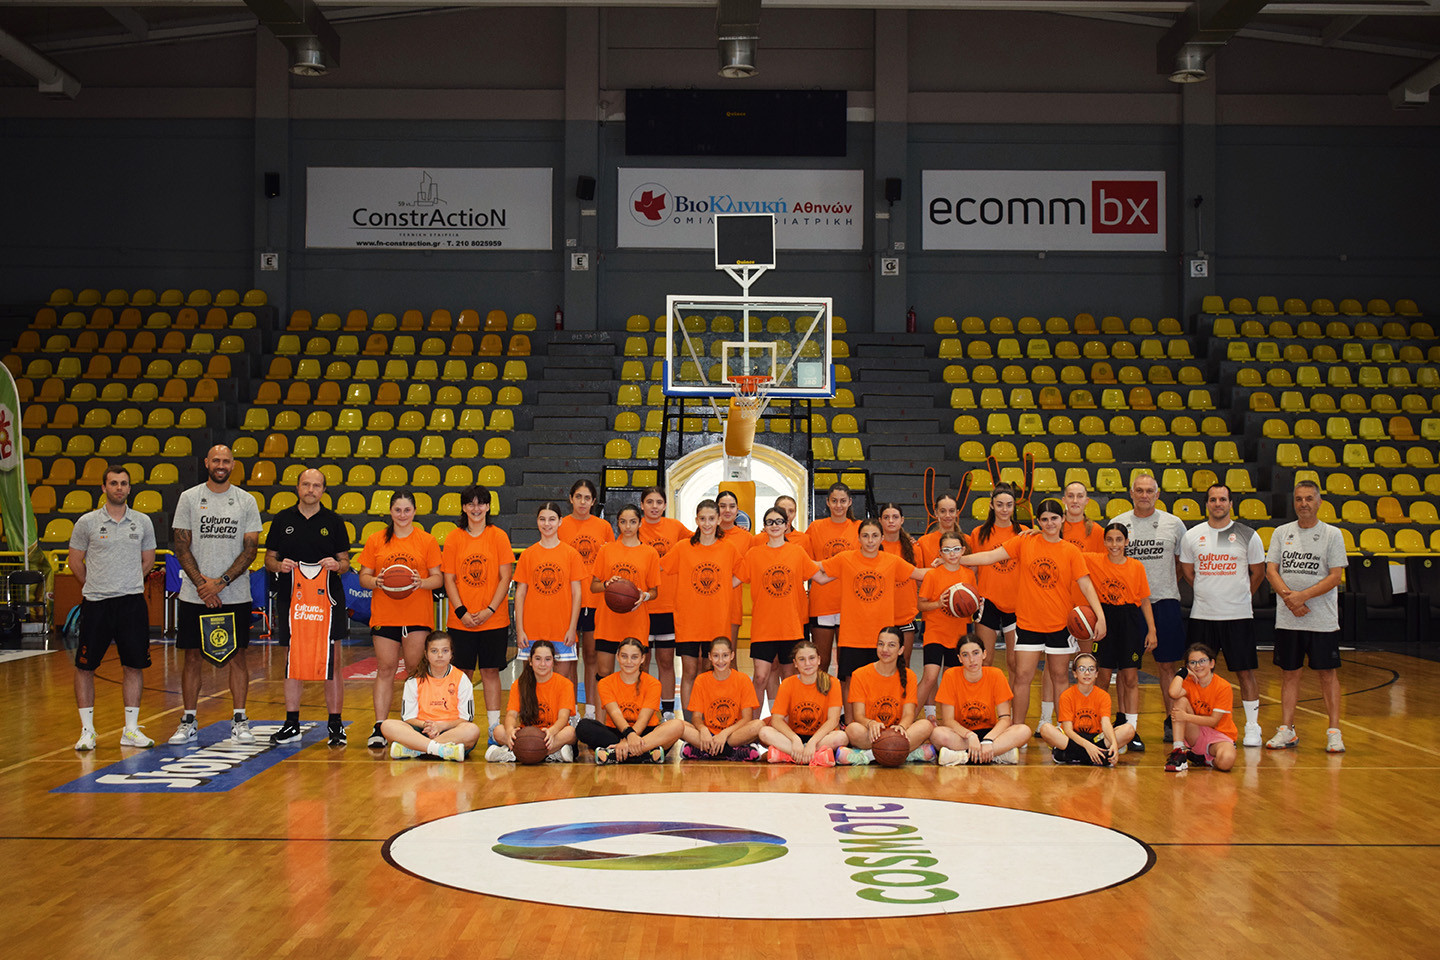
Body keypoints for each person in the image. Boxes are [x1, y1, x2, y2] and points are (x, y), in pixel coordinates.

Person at [960, 497, 1105, 734]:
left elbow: (1086, 584)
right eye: (1044, 519)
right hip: (1028, 623)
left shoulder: (1071, 550)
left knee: (1060, 677)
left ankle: (1064, 730)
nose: (1049, 523)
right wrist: (956, 559)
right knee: (1022, 677)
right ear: (1038, 521)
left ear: (1062, 520)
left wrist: (1100, 616)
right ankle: (1017, 731)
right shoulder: (1024, 542)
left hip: (1060, 624)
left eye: (1054, 518)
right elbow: (989, 557)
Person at [168, 445, 262, 746]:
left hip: (234, 594)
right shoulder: (189, 498)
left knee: (237, 656)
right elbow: (181, 546)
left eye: (226, 461)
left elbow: (250, 549)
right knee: (192, 657)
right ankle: (188, 720)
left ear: (233, 465)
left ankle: (239, 719)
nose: (221, 465)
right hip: (195, 595)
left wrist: (219, 583)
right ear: (206, 462)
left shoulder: (246, 501)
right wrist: (202, 585)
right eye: (216, 460)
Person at [69, 464, 158, 750]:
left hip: (131, 603)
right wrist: (96, 584)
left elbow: (148, 561)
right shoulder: (87, 523)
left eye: (123, 483)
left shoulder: (142, 522)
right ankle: (87, 731)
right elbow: (75, 562)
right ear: (104, 488)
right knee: (85, 667)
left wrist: (126, 582)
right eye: (113, 483)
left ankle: (130, 730)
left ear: (130, 488)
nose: (119, 487)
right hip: (96, 604)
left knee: (133, 665)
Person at [263, 467, 350, 746]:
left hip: (328, 600)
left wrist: (338, 565)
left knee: (332, 661)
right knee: (293, 661)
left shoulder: (334, 522)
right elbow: (269, 560)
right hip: (293, 600)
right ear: (297, 487)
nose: (311, 490)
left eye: (316, 485)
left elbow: (345, 562)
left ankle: (335, 725)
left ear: (324, 490)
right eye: (306, 484)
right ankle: (291, 723)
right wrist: (279, 565)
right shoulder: (282, 519)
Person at [1264, 481, 1349, 753]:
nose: (1304, 503)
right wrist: (1291, 599)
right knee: (1290, 674)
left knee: (1327, 674)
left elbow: (1335, 576)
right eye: (1299, 499)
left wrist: (1303, 597)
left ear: (1319, 501)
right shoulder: (1281, 532)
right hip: (1289, 619)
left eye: (1309, 498)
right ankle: (1287, 730)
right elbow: (1271, 570)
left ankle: (1334, 731)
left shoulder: (1332, 535)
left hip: (1321, 620)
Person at [1179, 483, 1266, 747]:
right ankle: (1194, 728)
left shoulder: (1248, 535)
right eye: (1213, 499)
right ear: (1207, 504)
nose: (1218, 504)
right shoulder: (1193, 536)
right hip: (1203, 615)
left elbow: (1258, 573)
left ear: (1230, 503)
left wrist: (1238, 596)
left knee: (1245, 672)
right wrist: (1209, 593)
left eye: (1223, 499)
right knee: (1194, 675)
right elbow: (1188, 573)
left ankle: (1252, 726)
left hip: (1237, 616)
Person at [357, 490, 444, 749]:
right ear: (391, 512)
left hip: (417, 614)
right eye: (398, 510)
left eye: (407, 510)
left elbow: (438, 578)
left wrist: (421, 582)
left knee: (415, 671)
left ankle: (414, 725)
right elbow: (363, 576)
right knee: (385, 669)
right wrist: (377, 581)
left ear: (414, 511)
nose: (403, 515)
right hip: (385, 614)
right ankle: (380, 726)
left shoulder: (426, 541)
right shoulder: (376, 540)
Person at [811, 518, 927, 708]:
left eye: (874, 536)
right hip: (852, 635)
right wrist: (791, 558)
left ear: (882, 538)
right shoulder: (845, 558)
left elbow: (920, 574)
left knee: (880, 682)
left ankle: (877, 723)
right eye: (865, 536)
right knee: (849, 681)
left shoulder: (892, 561)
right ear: (859, 538)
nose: (870, 540)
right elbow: (819, 568)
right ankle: (849, 725)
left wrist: (949, 566)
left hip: (880, 637)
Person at [1111, 471, 1189, 744]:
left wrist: (1163, 583)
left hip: (1164, 601)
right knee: (1126, 668)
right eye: (1139, 490)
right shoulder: (1118, 523)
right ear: (1131, 493)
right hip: (1127, 605)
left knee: (1168, 666)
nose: (1144, 495)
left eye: (1149, 491)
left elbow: (1183, 561)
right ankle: (1124, 721)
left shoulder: (1174, 523)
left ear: (1157, 495)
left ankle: (1172, 721)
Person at [441, 484, 514, 736]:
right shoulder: (454, 538)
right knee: (462, 674)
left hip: (493, 619)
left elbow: (506, 577)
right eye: (470, 503)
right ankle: (461, 726)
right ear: (463, 507)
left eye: (481, 503)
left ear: (488, 506)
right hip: (461, 620)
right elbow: (448, 578)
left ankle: (494, 728)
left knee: (490, 671)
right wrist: (461, 611)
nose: (476, 508)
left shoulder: (499, 536)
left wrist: (489, 610)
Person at [660, 499, 739, 720]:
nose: (707, 523)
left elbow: (744, 572)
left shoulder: (728, 548)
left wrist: (724, 584)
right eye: (702, 519)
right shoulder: (683, 547)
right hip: (689, 621)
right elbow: (660, 566)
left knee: (709, 671)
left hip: (716, 621)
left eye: (711, 519)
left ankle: (709, 718)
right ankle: (689, 723)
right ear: (696, 520)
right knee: (690, 672)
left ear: (719, 520)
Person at [734, 506, 817, 712]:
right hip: (764, 627)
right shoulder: (754, 554)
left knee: (789, 679)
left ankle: (786, 722)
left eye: (778, 521)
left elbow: (820, 576)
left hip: (791, 626)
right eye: (770, 522)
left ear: (786, 525)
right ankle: (750, 727)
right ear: (764, 527)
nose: (774, 526)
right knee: (760, 676)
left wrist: (851, 566)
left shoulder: (797, 552)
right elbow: (733, 581)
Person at [1084, 522, 1155, 754]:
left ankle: (1131, 729)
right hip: (1105, 619)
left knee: (1130, 677)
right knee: (1102, 677)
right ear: (1104, 542)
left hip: (1130, 621)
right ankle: (1098, 725)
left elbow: (1144, 600)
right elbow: (1063, 548)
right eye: (1110, 539)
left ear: (1126, 542)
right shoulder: (1094, 560)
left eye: (1119, 540)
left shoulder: (1136, 567)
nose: (1114, 544)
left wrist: (1151, 630)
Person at [575, 637, 684, 764]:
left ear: (642, 658)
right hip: (617, 732)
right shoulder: (605, 683)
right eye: (624, 656)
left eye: (634, 657)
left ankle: (615, 754)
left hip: (645, 734)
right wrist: (628, 735)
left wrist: (628, 741)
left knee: (676, 725)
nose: (628, 661)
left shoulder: (653, 684)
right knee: (583, 726)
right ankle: (645, 755)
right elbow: (615, 713)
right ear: (617, 657)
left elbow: (644, 719)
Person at [836, 627, 935, 765]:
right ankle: (906, 754)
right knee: (852, 729)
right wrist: (871, 723)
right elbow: (858, 716)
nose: (885, 649)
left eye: (891, 645)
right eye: (881, 644)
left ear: (901, 650)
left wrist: (902, 727)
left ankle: (867, 756)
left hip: (898, 733)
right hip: (873, 734)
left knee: (926, 725)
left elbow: (908, 714)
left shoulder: (909, 676)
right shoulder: (860, 674)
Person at [558, 479, 613, 719]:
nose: (582, 502)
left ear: (593, 501)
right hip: (567, 602)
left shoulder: (603, 527)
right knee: (569, 658)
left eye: (587, 498)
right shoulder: (560, 525)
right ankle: (570, 711)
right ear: (571, 498)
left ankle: (591, 710)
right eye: (578, 496)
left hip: (595, 600)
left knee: (591, 656)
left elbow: (612, 560)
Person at [513, 502, 585, 682]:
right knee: (531, 682)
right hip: (532, 630)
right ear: (537, 522)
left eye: (552, 519)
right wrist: (520, 629)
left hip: (562, 629)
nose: (547, 524)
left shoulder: (571, 554)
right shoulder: (528, 554)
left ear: (560, 521)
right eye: (542, 519)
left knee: (562, 682)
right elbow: (520, 594)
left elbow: (577, 594)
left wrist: (572, 627)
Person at [929, 637, 1031, 765]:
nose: (971, 660)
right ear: (959, 658)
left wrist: (988, 740)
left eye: (976, 653)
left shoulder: (996, 674)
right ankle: (995, 755)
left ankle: (962, 757)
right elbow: (948, 720)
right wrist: (970, 736)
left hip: (991, 734)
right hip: (962, 735)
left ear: (984, 654)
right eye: (965, 655)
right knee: (937, 734)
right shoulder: (950, 675)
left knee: (1024, 731)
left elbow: (1005, 718)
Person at [380, 631, 479, 762]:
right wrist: (427, 725)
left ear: (451, 654)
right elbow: (408, 717)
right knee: (386, 725)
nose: (439, 655)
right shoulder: (414, 680)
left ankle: (416, 749)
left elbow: (466, 718)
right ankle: (441, 750)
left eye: (445, 651)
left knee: (472, 730)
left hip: (450, 732)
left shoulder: (461, 679)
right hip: (421, 730)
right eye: (434, 651)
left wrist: (440, 726)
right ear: (426, 654)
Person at [590, 504, 660, 684]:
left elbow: (654, 592)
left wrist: (643, 596)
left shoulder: (650, 553)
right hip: (608, 622)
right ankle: (601, 714)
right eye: (623, 522)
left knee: (637, 675)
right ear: (618, 524)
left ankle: (635, 713)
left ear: (640, 524)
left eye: (632, 522)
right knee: (603, 675)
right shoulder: (606, 550)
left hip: (636, 623)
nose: (628, 526)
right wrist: (607, 584)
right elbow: (593, 586)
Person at [637, 487, 690, 719]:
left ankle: (668, 711)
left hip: (668, 605)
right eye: (650, 501)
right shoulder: (634, 527)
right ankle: (640, 706)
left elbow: (701, 540)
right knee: (641, 662)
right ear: (642, 505)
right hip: (641, 605)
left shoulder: (675, 528)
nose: (654, 506)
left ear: (666, 505)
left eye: (659, 502)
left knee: (666, 661)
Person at [915, 532, 980, 714]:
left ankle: (951, 719)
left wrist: (975, 605)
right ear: (940, 553)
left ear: (963, 550)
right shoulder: (933, 575)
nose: (952, 554)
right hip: (935, 631)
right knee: (930, 676)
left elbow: (970, 605)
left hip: (959, 634)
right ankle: (910, 720)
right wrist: (938, 603)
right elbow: (920, 604)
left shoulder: (968, 575)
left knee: (952, 678)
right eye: (947, 550)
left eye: (956, 549)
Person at [757, 639, 847, 765]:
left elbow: (833, 720)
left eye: (812, 658)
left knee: (842, 737)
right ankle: (816, 757)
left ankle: (787, 754)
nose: (807, 663)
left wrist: (813, 742)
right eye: (802, 659)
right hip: (795, 737)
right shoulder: (788, 684)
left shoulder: (832, 683)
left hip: (821, 737)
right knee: (764, 732)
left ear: (819, 660)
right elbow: (777, 720)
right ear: (795, 663)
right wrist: (795, 739)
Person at [967, 484, 1028, 669]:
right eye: (1000, 504)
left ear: (1014, 506)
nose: (1004, 509)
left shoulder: (1024, 533)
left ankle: (1011, 700)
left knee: (1014, 663)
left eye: (1009, 505)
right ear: (992, 505)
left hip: (1016, 602)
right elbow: (975, 568)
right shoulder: (979, 533)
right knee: (984, 660)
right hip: (987, 601)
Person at [487, 640, 578, 763]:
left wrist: (551, 732)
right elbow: (511, 715)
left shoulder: (565, 684)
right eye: (538, 659)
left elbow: (563, 718)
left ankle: (514, 753)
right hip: (527, 735)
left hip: (552, 733)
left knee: (571, 733)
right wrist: (509, 731)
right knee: (498, 731)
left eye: (547, 659)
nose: (542, 664)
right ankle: (552, 753)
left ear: (553, 662)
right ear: (530, 661)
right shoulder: (519, 684)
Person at [1039, 652, 1135, 765]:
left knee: (1128, 729)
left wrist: (1114, 743)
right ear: (1075, 673)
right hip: (1074, 739)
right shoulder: (1067, 695)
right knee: (1045, 729)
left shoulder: (1103, 696)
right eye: (1082, 669)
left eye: (1091, 669)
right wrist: (1088, 747)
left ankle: (1071, 755)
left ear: (1097, 674)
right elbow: (1068, 730)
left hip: (1096, 739)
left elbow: (1106, 724)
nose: (1087, 673)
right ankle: (1097, 756)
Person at [804, 482, 861, 674]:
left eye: (843, 501)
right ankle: (821, 702)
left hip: (850, 602)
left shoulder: (859, 528)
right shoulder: (815, 527)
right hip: (822, 603)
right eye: (834, 501)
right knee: (822, 660)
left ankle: (846, 704)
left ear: (850, 502)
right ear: (827, 502)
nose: (838, 505)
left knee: (847, 663)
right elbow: (805, 561)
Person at [678, 637, 764, 761]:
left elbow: (747, 718)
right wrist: (703, 730)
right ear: (710, 657)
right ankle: (733, 752)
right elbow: (696, 718)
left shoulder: (743, 679)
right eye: (716, 656)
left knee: (758, 725)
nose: (721, 661)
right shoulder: (701, 680)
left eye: (725, 655)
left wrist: (724, 733)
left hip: (732, 735)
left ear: (732, 655)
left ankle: (703, 750)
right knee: (678, 726)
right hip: (709, 735)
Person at [1163, 643, 1238, 772]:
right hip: (1196, 733)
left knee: (1226, 761)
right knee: (1180, 700)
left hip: (1219, 736)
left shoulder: (1223, 686)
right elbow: (1173, 693)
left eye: (1202, 661)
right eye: (1192, 663)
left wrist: (1185, 717)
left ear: (1212, 663)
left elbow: (1214, 721)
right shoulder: (1189, 683)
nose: (1198, 666)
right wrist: (1182, 672)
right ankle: (1179, 751)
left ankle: (1205, 759)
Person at [878, 503, 922, 663]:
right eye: (886, 517)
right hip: (879, 615)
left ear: (902, 520)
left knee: (903, 663)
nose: (891, 521)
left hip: (905, 615)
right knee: (880, 665)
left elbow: (920, 581)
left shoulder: (913, 548)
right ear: (880, 520)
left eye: (895, 517)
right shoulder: (873, 547)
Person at [716, 490, 753, 644]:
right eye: (722, 506)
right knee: (703, 658)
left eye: (732, 506)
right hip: (704, 603)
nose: (727, 510)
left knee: (729, 654)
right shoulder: (705, 535)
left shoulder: (747, 538)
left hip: (732, 603)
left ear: (738, 510)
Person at [915, 495, 963, 569]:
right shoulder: (923, 542)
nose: (947, 515)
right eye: (943, 511)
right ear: (936, 513)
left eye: (951, 511)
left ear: (957, 513)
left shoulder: (967, 540)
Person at [1060, 481, 1105, 554]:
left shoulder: (1097, 531)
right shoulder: (1054, 529)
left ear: (1086, 500)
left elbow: (1103, 561)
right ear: (1064, 500)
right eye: (1070, 496)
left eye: (1080, 496)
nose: (1075, 501)